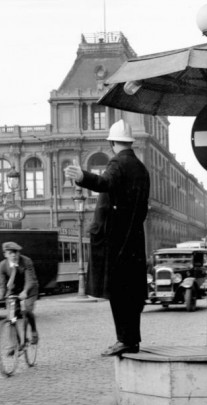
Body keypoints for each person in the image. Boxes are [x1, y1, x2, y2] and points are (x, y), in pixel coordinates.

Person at [64, 119, 150, 357]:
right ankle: (132, 339)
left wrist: (82, 176)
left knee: (118, 292)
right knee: (131, 293)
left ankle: (124, 339)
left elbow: (104, 183)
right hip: (133, 238)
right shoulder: (141, 168)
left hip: (114, 239)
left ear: (112, 143)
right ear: (130, 142)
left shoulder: (118, 163)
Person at [0, 242, 39, 345]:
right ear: (5, 254)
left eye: (16, 252)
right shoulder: (2, 266)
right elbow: (2, 284)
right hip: (13, 291)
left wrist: (25, 291)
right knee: (11, 316)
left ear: (19, 253)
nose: (13, 255)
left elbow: (30, 280)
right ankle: (16, 344)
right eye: (10, 253)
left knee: (27, 310)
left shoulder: (26, 261)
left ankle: (33, 331)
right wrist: (0, 293)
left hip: (30, 290)